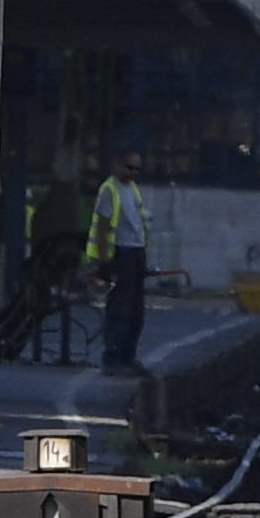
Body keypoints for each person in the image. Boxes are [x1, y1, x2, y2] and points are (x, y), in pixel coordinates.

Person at [91, 153, 154, 370]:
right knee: (120, 308)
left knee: (136, 310)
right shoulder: (109, 190)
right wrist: (104, 262)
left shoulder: (133, 190)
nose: (133, 173)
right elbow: (102, 226)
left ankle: (128, 356)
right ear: (117, 164)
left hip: (135, 252)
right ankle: (112, 357)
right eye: (129, 167)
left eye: (137, 169)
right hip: (120, 253)